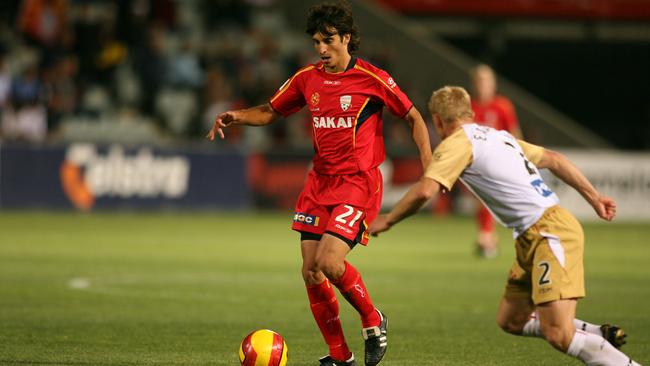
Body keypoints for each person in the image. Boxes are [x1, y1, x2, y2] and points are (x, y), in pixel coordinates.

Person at [207, 3, 432, 366]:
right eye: (316, 42)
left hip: (358, 182)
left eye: (328, 40)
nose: (322, 49)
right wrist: (237, 117)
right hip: (319, 182)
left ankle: (373, 319)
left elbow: (414, 117)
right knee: (310, 270)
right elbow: (270, 110)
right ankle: (340, 356)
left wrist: (428, 163)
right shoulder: (306, 78)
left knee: (330, 261)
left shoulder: (372, 79)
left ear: (346, 38)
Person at [369, 86, 641, 366]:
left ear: (437, 121)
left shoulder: (457, 143)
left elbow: (426, 191)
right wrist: (594, 198)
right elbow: (555, 160)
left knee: (558, 334)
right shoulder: (499, 136)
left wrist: (387, 220)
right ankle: (596, 335)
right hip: (532, 235)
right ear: (470, 112)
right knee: (511, 320)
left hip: (550, 233)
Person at [469, 64, 522, 258]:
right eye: (479, 80)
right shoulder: (469, 107)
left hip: (501, 160)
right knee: (484, 198)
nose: (483, 85)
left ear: (493, 83)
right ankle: (487, 236)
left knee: (501, 201)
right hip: (476, 163)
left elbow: (514, 133)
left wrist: (518, 156)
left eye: (486, 80)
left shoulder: (502, 106)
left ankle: (489, 237)